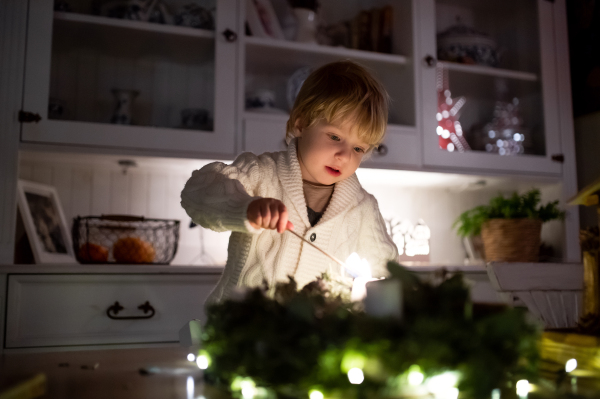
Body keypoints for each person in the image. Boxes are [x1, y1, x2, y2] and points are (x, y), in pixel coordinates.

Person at [181, 60, 398, 303]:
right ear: (301, 123)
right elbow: (197, 192)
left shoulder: (363, 208)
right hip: (241, 329)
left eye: (358, 148)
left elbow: (386, 272)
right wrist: (245, 207)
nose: (345, 156)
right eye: (335, 136)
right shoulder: (261, 173)